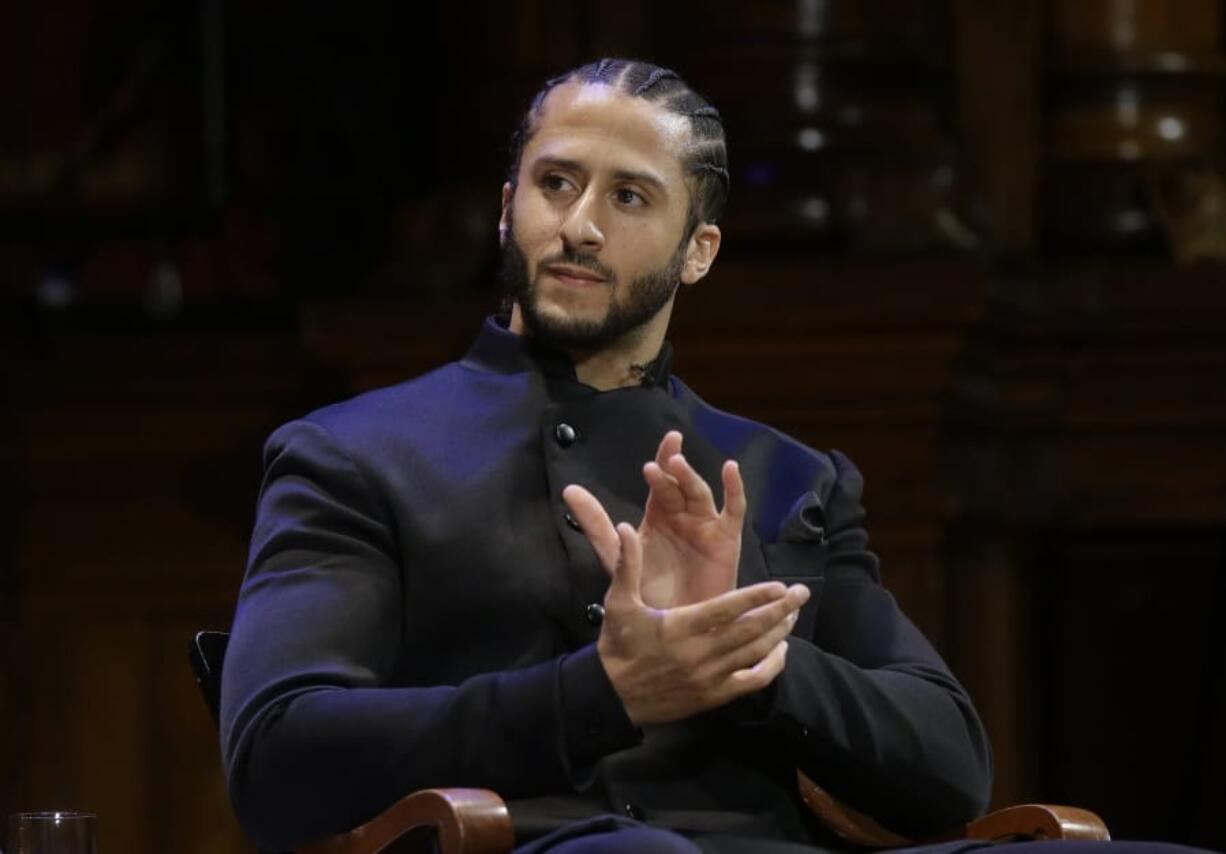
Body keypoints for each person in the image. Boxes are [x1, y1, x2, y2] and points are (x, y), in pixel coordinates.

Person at [218, 59, 1184, 854]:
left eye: (630, 196)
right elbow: (277, 757)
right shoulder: (353, 455)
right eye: (556, 183)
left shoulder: (786, 477)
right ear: (508, 203)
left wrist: (752, 663)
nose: (581, 225)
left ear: (699, 251)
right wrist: (602, 693)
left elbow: (950, 765)